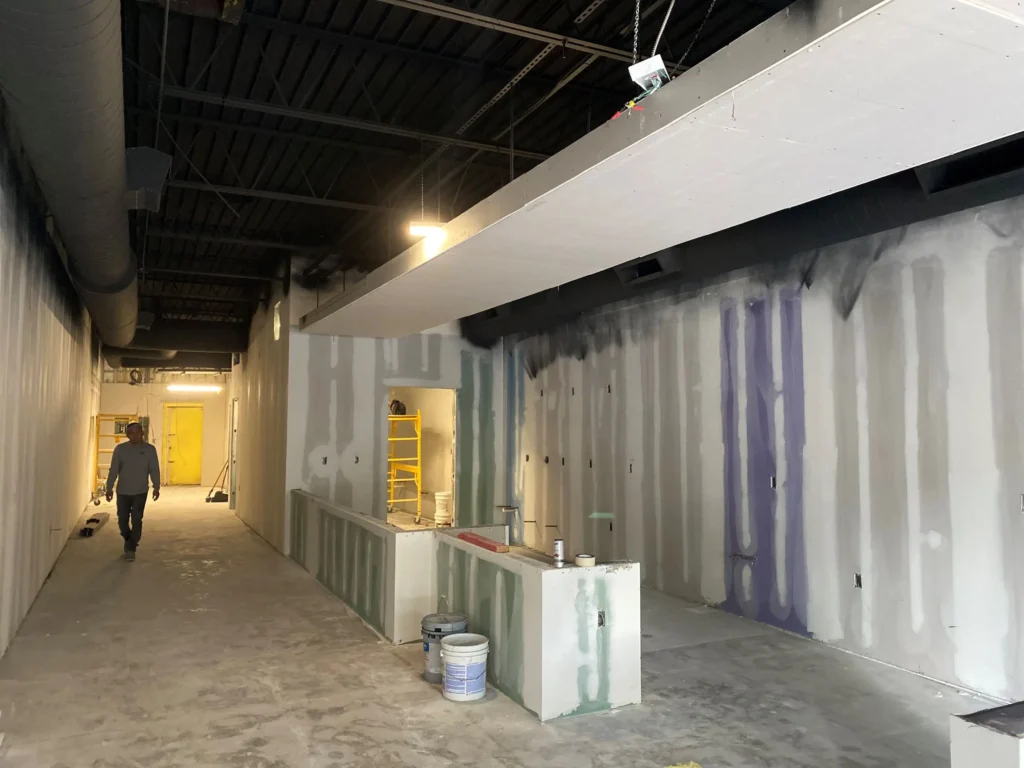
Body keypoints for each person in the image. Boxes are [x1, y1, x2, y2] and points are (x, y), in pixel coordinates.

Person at [105, 422, 160, 561]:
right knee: (122, 521)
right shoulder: (120, 450)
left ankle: (131, 548)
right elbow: (114, 470)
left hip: (140, 491)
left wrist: (156, 486)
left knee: (136, 519)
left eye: (137, 432)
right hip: (123, 491)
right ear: (127, 435)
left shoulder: (149, 450)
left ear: (142, 433)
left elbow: (154, 469)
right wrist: (109, 487)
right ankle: (129, 539)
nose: (135, 436)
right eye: (131, 433)